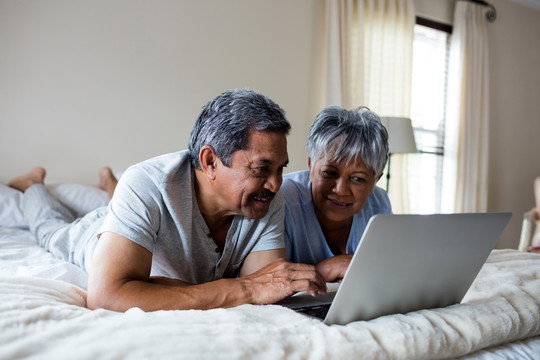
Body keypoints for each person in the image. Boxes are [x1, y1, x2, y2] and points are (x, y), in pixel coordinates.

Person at [8, 88, 326, 312]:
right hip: (94, 234)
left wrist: (156, 287)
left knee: (131, 199)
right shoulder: (147, 182)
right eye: (261, 169)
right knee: (50, 229)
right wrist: (243, 288)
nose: (275, 183)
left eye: (281, 168)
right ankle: (33, 184)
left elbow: (265, 287)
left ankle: (109, 186)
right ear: (210, 161)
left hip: (141, 217)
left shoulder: (262, 196)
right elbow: (106, 296)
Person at [282, 105, 392, 283]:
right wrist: (325, 270)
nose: (340, 190)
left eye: (358, 179)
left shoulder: (379, 204)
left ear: (376, 181)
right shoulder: (283, 199)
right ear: (310, 166)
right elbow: (266, 284)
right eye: (329, 173)